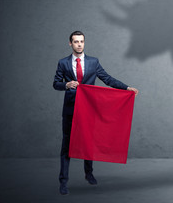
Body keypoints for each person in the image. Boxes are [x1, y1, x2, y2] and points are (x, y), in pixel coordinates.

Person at [53, 30, 138, 195]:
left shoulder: (93, 62)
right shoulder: (63, 63)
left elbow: (107, 78)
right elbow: (55, 83)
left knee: (88, 142)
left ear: (84, 43)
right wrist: (66, 85)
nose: (79, 44)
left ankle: (89, 173)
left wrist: (126, 88)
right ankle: (63, 182)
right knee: (66, 146)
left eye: (81, 41)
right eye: (76, 41)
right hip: (70, 109)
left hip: (88, 109)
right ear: (70, 44)